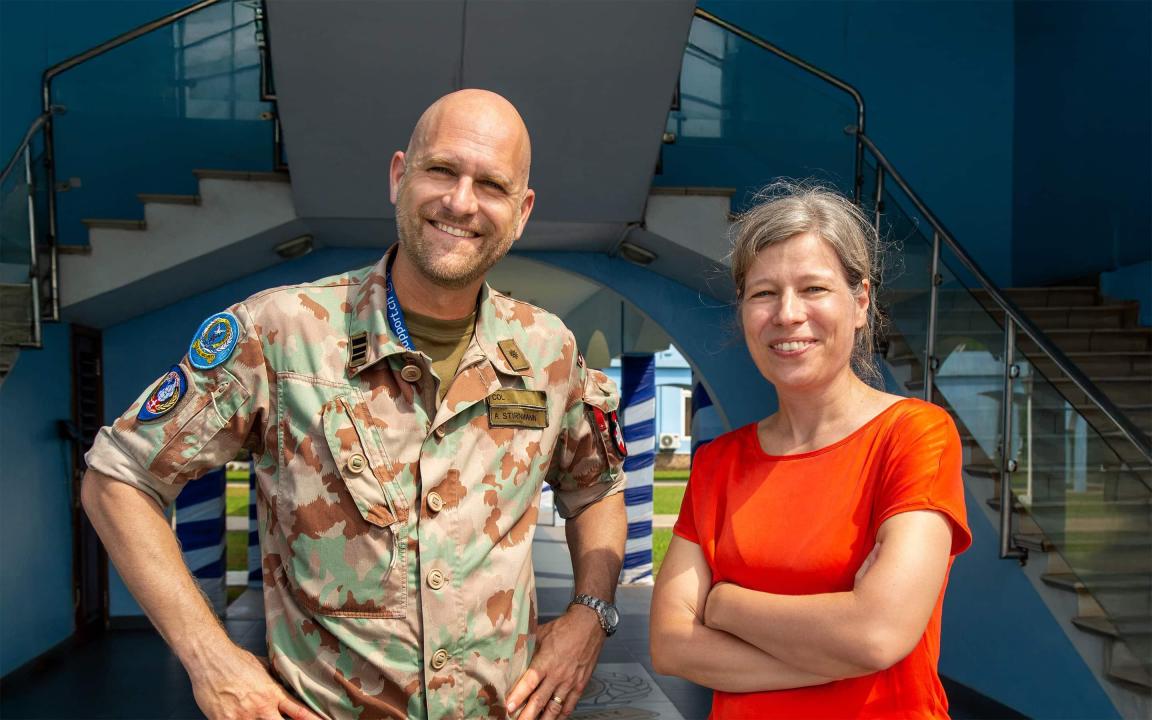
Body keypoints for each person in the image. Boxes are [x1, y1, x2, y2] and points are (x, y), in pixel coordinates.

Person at [82, 89, 628, 720]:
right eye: (441, 170)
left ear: (522, 210)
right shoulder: (283, 333)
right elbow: (117, 479)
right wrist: (211, 660)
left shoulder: (547, 350)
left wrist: (590, 614)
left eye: (492, 184)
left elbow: (596, 486)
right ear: (400, 176)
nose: (460, 201)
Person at [650, 183, 971, 718]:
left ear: (861, 302)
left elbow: (876, 633)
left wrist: (725, 604)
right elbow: (670, 643)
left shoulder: (914, 434)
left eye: (814, 288)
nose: (787, 314)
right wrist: (840, 650)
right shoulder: (719, 463)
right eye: (763, 293)